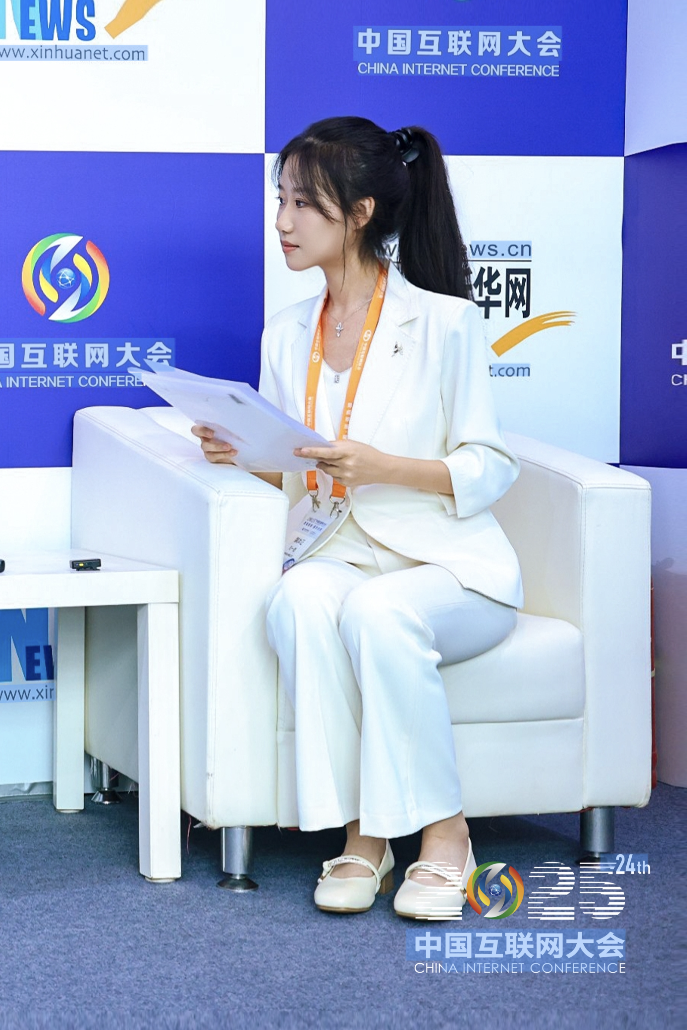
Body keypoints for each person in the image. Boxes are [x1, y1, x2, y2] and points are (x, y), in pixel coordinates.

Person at [193, 118, 522, 919]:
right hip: (335, 549)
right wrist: (243, 455)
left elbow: (490, 465)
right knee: (300, 599)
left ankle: (444, 832)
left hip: (449, 567)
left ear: (362, 212)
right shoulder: (286, 333)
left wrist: (385, 468)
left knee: (378, 610)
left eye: (304, 204)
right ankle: (363, 836)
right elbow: (298, 465)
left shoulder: (442, 322)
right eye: (280, 200)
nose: (283, 222)